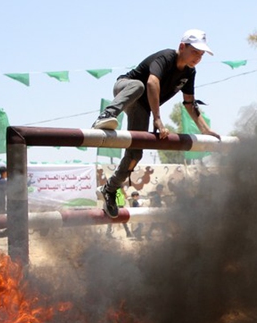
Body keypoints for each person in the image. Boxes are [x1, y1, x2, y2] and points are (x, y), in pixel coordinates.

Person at [92, 29, 220, 218]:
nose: (198, 58)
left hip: (142, 106)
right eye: (195, 52)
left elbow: (189, 103)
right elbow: (152, 83)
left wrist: (205, 129)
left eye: (201, 55)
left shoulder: (190, 72)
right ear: (182, 46)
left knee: (136, 153)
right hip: (126, 87)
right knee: (139, 85)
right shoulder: (166, 57)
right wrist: (158, 120)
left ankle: (110, 189)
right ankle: (106, 115)